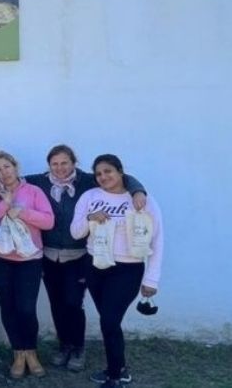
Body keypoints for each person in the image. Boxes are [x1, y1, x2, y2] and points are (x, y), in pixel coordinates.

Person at [24, 144, 146, 371]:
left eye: (65, 163)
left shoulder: (89, 180)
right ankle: (64, 345)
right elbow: (11, 178)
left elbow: (123, 177)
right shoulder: (39, 181)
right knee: (57, 303)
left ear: (74, 162)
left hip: (79, 255)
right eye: (55, 164)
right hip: (49, 254)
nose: (60, 168)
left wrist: (139, 191)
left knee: (73, 302)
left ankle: (78, 347)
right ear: (49, 165)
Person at [70, 154, 163, 388]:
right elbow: (75, 232)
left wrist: (152, 278)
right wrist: (91, 217)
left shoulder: (142, 199)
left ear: (121, 172)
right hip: (95, 265)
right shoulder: (89, 196)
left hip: (127, 269)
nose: (103, 177)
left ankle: (114, 377)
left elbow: (158, 240)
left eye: (108, 171)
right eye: (99, 174)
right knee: (109, 321)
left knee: (109, 321)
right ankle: (120, 368)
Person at [0, 149, 54, 379]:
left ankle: (31, 352)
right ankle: (18, 354)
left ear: (15, 167)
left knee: (26, 308)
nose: (3, 172)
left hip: (29, 260)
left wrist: (21, 212)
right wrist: (4, 203)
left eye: (6, 167)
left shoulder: (33, 191)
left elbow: (48, 221)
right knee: (8, 307)